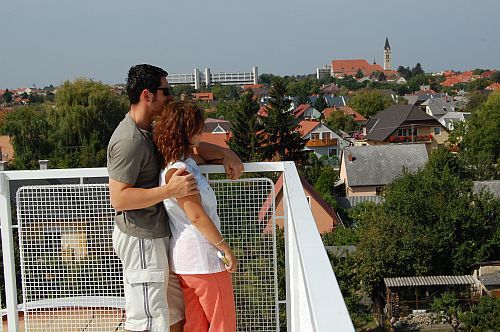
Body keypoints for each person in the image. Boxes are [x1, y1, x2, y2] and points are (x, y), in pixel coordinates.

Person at [107, 64, 243, 332]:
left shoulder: (153, 133)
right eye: (166, 91)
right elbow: (119, 199)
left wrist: (228, 154)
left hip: (165, 241)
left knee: (173, 318)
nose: (170, 96)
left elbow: (187, 147)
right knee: (146, 319)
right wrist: (170, 190)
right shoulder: (129, 140)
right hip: (141, 238)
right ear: (148, 95)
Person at [154, 101, 238, 332]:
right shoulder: (181, 172)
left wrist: (226, 154)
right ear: (186, 132)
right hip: (204, 261)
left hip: (187, 263)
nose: (203, 133)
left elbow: (204, 155)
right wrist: (225, 249)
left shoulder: (180, 164)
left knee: (197, 327)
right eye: (199, 128)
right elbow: (197, 216)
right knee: (223, 325)